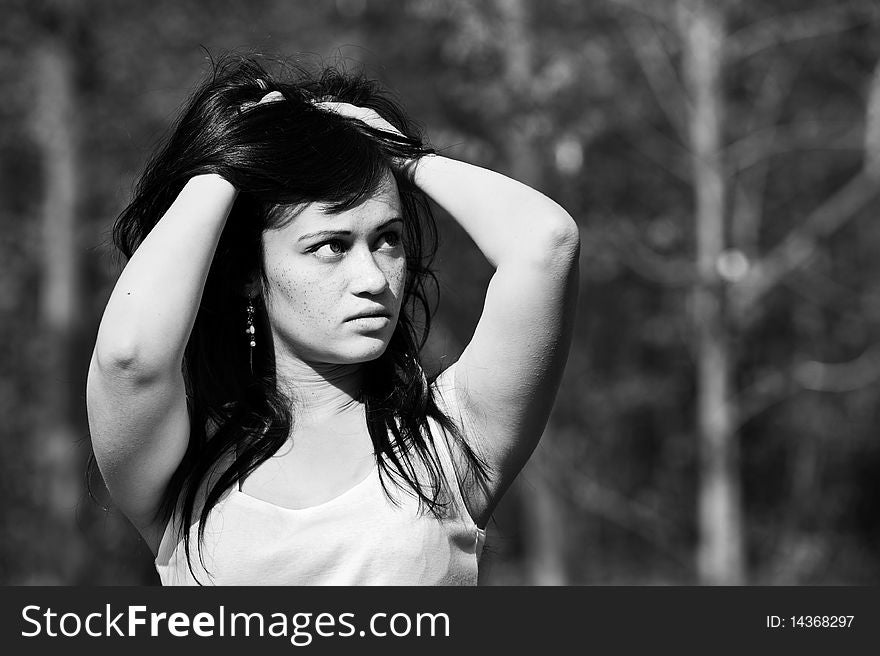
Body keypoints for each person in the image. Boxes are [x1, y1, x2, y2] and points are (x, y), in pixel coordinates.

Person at [86, 56, 580, 585]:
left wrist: (400, 154)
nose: (373, 277)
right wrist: (232, 158)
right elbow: (128, 358)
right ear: (249, 272)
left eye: (387, 239)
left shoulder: (452, 438)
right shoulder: (183, 467)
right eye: (331, 246)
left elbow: (546, 243)